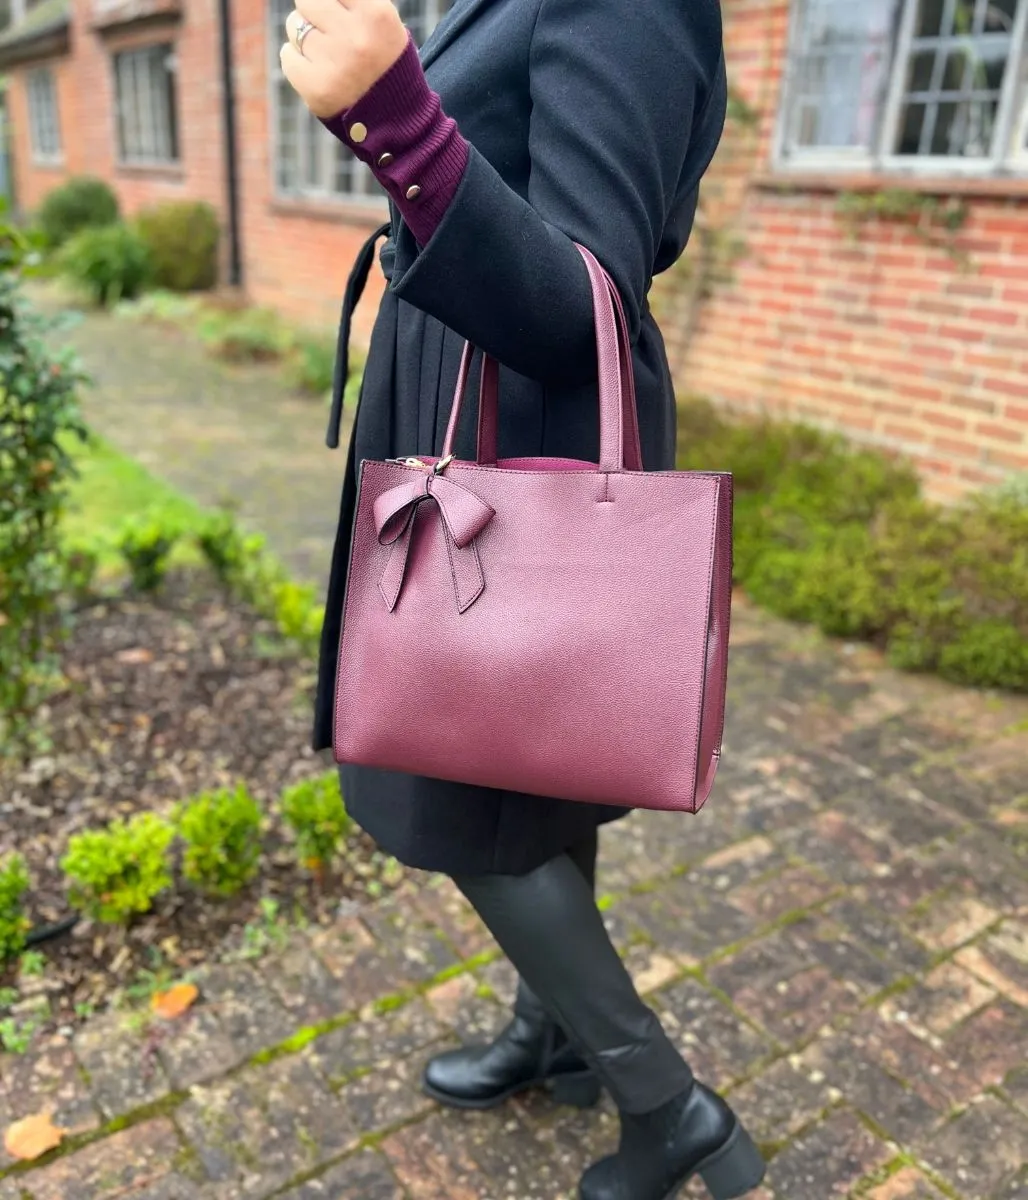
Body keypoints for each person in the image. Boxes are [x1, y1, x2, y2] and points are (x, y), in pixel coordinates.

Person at [280, 1, 765, 1196]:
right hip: (465, 411)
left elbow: (578, 297)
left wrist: (394, 118)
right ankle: (554, 1035)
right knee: (526, 775)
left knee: (454, 783)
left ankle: (668, 1107)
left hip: (520, 442)